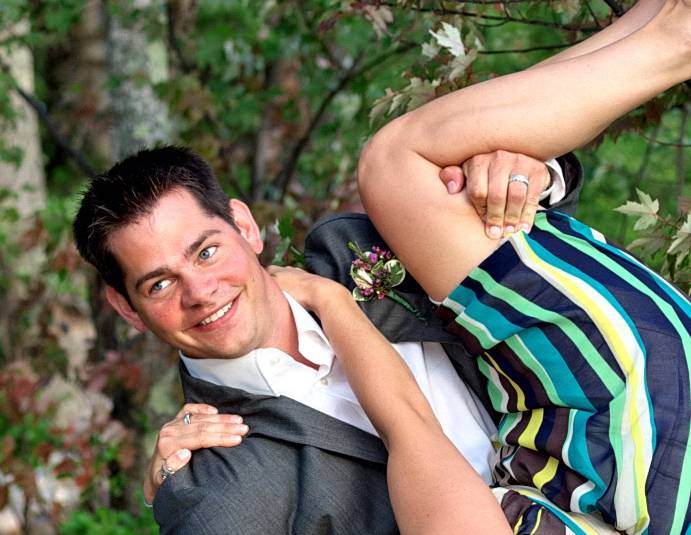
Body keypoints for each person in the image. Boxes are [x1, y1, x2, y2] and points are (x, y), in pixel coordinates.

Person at [272, 0, 689, 534]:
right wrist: (334, 306)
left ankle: (659, 26)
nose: (198, 292)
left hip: (575, 427)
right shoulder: (225, 485)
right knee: (397, 164)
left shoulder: (211, 452)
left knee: (430, 168)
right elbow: (411, 432)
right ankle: (667, 37)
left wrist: (513, 168)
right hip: (643, 448)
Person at [73, 143, 580, 533]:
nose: (201, 292)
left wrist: (528, 176)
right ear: (127, 309)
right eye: (159, 284)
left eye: (206, 252)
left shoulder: (352, 251)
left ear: (245, 227)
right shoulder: (218, 490)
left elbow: (540, 229)